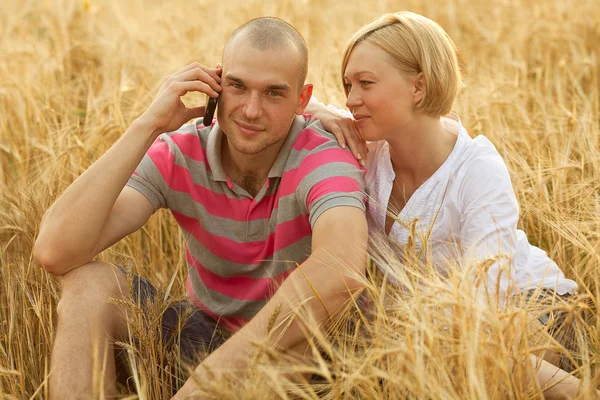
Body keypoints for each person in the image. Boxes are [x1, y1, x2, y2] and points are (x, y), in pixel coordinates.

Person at [33, 17, 368, 399]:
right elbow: (54, 252)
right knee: (88, 285)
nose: (251, 110)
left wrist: (214, 379)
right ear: (215, 84)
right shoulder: (180, 152)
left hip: (298, 362)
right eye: (237, 86)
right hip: (203, 341)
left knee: (298, 350)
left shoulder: (322, 157)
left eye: (274, 93)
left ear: (302, 100)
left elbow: (340, 270)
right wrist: (148, 124)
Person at [306, 11, 588, 399]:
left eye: (366, 84)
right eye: (347, 84)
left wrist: (407, 335)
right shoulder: (367, 147)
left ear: (418, 86)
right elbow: (298, 104)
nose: (351, 99)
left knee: (462, 351)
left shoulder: (477, 169)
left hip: (532, 312)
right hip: (436, 325)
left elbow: (482, 307)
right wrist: (319, 111)